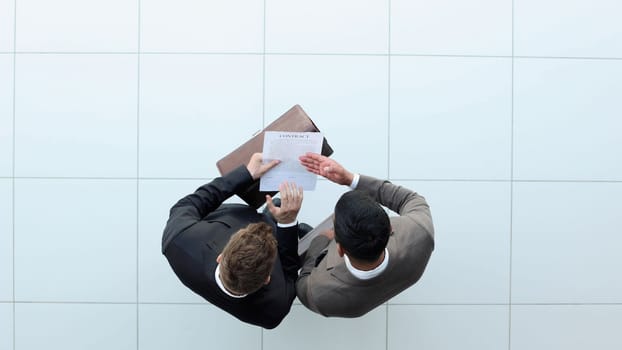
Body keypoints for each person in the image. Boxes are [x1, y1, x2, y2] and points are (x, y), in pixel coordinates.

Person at [161, 153, 306, 329]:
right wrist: (287, 223)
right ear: (267, 279)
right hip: (270, 230)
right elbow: (289, 273)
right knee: (285, 227)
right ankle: (279, 224)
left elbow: (191, 203)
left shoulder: (178, 240)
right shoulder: (274, 309)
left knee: (271, 215)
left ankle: (271, 220)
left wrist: (246, 174)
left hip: (230, 217)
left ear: (221, 257)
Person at [296, 153, 435, 317]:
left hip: (323, 255)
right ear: (390, 228)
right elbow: (410, 199)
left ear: (339, 248)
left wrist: (319, 241)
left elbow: (303, 280)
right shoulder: (420, 233)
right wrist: (350, 179)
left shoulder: (319, 294)